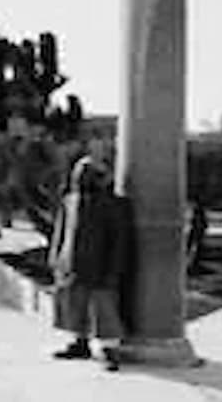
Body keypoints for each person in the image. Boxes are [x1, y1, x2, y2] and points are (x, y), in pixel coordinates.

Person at [48, 156, 132, 371]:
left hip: (100, 266)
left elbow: (119, 240)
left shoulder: (114, 203)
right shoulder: (70, 200)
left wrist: (114, 270)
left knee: (103, 310)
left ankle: (109, 350)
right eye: (79, 172)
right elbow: (61, 231)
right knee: (75, 306)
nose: (81, 177)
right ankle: (80, 343)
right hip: (71, 264)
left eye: (87, 173)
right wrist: (56, 258)